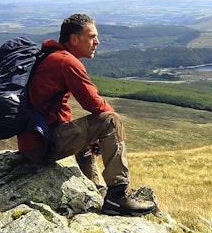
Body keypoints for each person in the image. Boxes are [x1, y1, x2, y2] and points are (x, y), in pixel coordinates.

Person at [18, 13, 157, 216]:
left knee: (86, 144)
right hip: (43, 146)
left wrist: (89, 137)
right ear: (74, 39)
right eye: (92, 37)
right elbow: (94, 104)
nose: (97, 42)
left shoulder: (50, 56)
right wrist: (105, 129)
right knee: (111, 121)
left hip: (32, 143)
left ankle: (98, 191)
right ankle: (118, 195)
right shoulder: (66, 62)